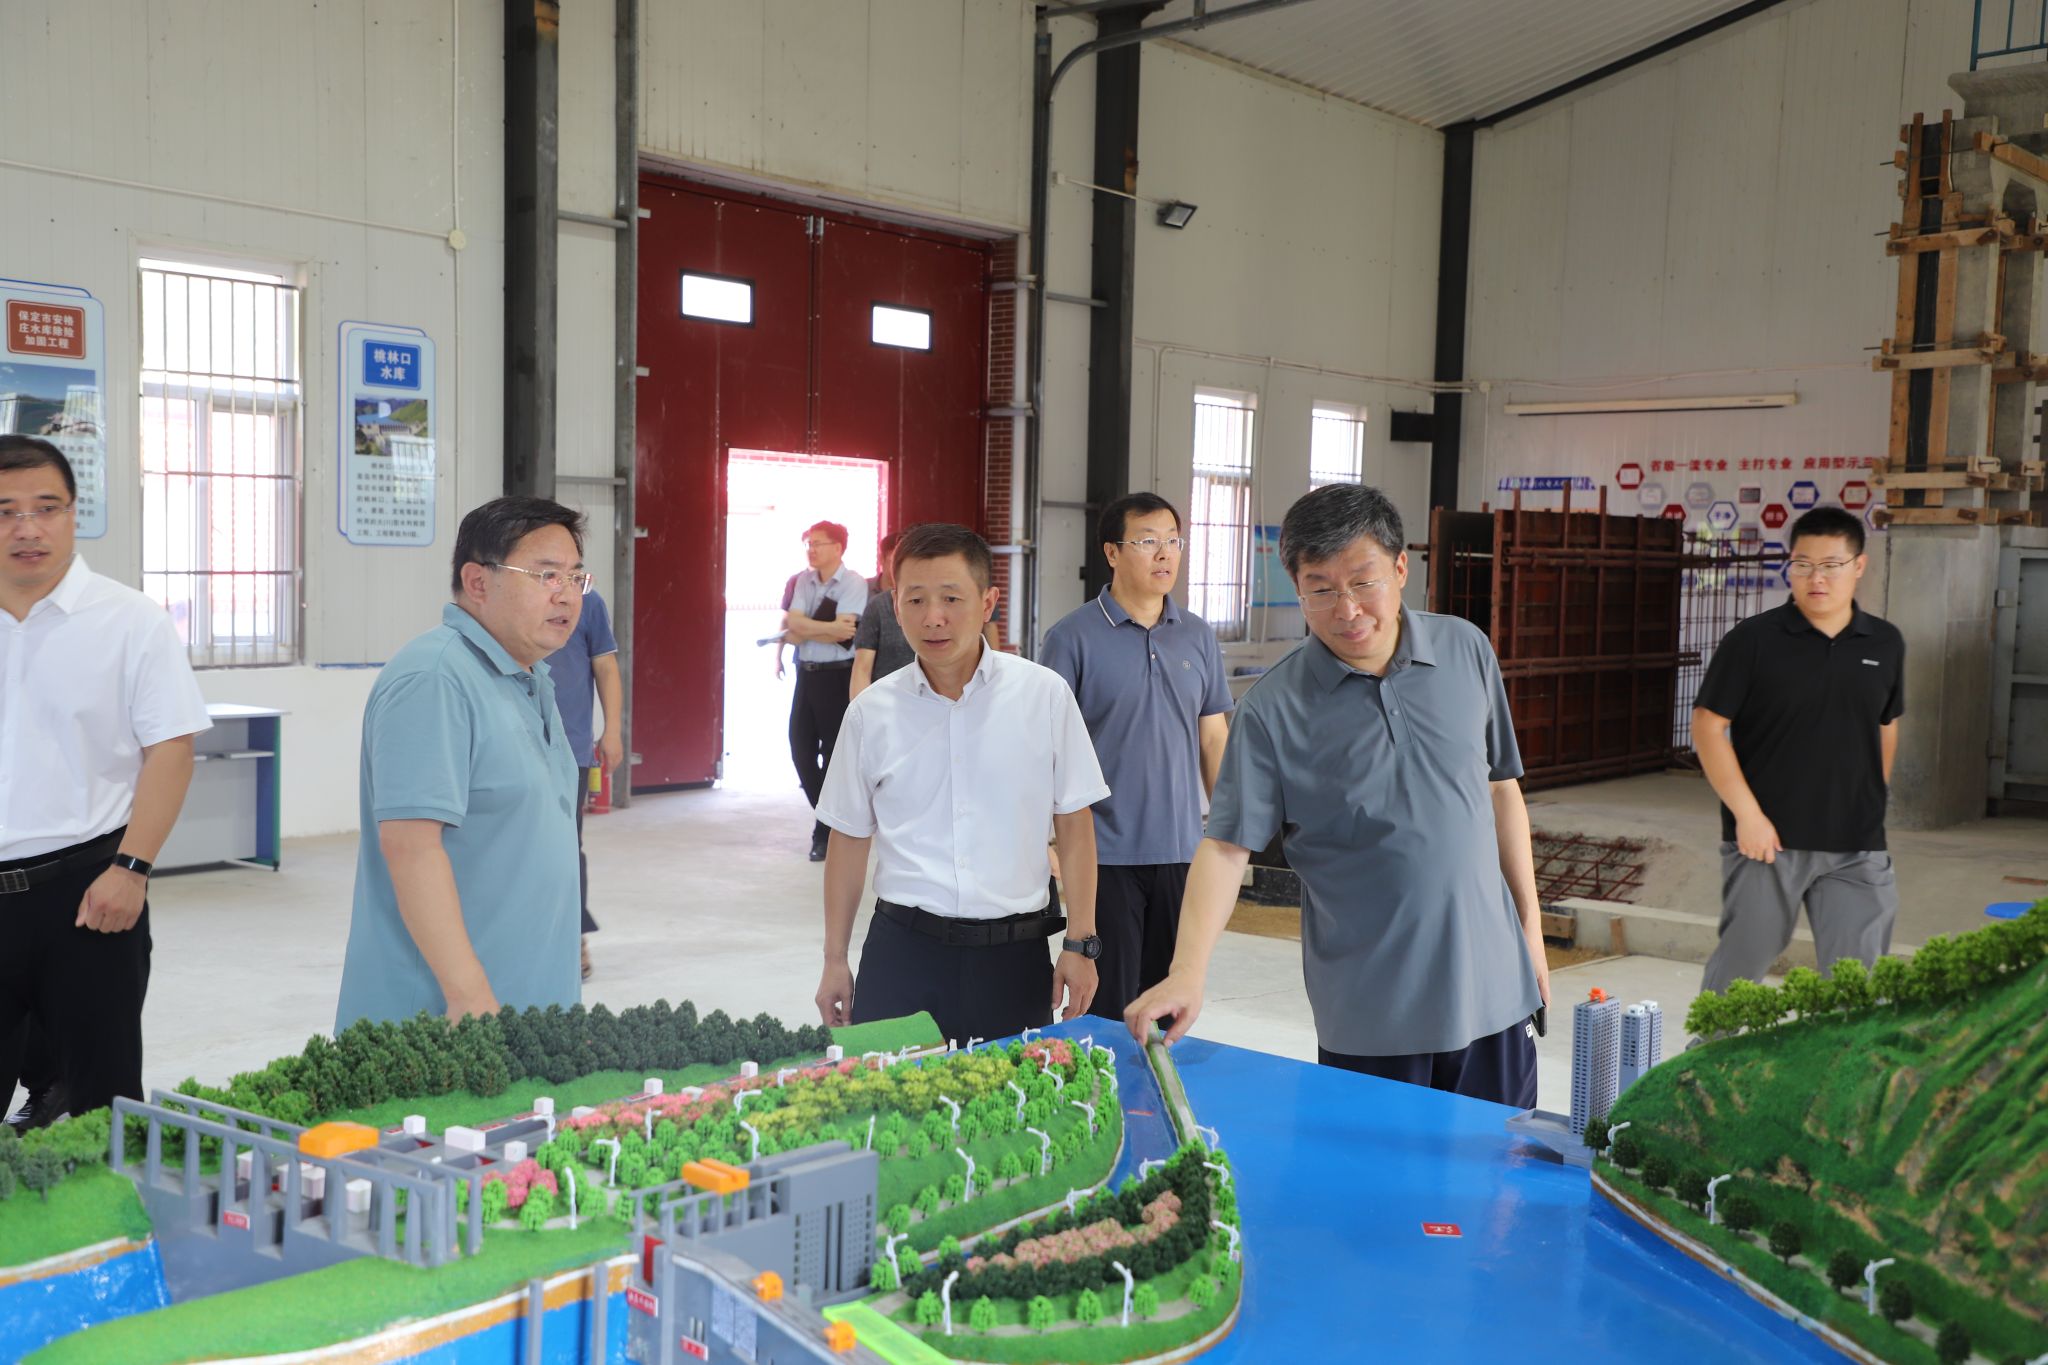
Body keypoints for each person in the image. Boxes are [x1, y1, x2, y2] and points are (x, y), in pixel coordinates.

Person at [1124, 484, 1550, 1108]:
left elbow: (1501, 791)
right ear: (1297, 590)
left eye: (1363, 581)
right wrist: (1187, 971)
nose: (1346, 609)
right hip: (1372, 1019)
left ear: (1400, 568)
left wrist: (1530, 931)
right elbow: (1225, 848)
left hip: (1497, 997)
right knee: (1376, 1171)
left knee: (1500, 1167)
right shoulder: (1273, 709)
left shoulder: (1466, 650)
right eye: (1321, 589)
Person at [812, 523, 1109, 1045]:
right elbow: (848, 838)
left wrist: (1080, 944)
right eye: (915, 599)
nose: (933, 617)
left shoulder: (1043, 696)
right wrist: (835, 958)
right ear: (895, 604)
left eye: (951, 598)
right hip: (902, 954)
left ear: (987, 601)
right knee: (890, 1097)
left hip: (1013, 961)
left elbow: (1075, 824)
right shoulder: (870, 713)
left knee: (1010, 1096)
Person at [0, 436, 209, 1128]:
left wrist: (132, 868)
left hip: (88, 894)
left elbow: (171, 749)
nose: (27, 528)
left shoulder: (131, 622)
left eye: (45, 507)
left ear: (73, 513)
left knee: (104, 1103)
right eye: (4, 511)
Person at [335, 496, 589, 1030]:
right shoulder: (435, 679)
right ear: (477, 582)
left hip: (527, 1006)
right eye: (546, 575)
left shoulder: (529, 677)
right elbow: (411, 847)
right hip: (447, 1020)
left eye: (574, 577)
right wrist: (467, 992)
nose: (566, 593)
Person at [1691, 505, 1904, 1000]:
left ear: (1858, 566)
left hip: (1857, 847)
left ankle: (1847, 1054)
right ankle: (1710, 1051)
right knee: (1738, 978)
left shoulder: (1885, 643)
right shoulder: (1753, 640)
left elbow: (1886, 725)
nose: (1816, 578)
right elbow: (1708, 725)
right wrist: (1748, 816)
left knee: (1859, 987)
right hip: (1767, 842)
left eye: (1830, 565)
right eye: (1803, 564)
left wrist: (1872, 797)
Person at [1040, 492, 1231, 1020]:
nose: (1165, 553)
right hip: (1103, 856)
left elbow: (1213, 739)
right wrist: (1046, 840)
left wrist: (1230, 833)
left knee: (1168, 1006)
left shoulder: (1197, 636)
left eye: (1173, 541)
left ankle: (1158, 1081)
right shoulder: (1071, 638)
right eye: (1147, 541)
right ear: (1112, 552)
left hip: (1182, 853)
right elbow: (1044, 752)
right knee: (1106, 1009)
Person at [543, 586, 624, 981]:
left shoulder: (587, 602)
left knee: (565, 847)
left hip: (569, 748)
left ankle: (573, 936)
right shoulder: (514, 596)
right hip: (511, 744)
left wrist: (613, 731)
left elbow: (605, 665)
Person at [780, 521, 868, 861]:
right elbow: (792, 625)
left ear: (838, 547)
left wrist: (808, 629)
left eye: (818, 543)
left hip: (837, 676)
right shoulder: (803, 581)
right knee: (800, 750)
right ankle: (833, 820)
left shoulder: (853, 583)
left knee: (833, 756)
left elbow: (845, 633)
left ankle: (823, 833)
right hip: (806, 674)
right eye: (808, 543)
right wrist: (826, 628)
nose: (811, 549)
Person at [850, 530, 912, 699]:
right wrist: (860, 711)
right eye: (897, 561)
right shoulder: (878, 604)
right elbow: (862, 668)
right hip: (885, 698)